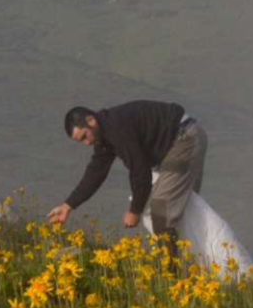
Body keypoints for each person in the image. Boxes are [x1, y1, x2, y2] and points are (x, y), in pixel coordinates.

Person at [46, 99, 207, 255]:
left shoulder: (117, 128)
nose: (86, 143)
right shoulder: (105, 136)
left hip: (184, 139)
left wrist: (135, 210)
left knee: (161, 207)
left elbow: (139, 170)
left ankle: (171, 272)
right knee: (173, 211)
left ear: (91, 120)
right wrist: (68, 205)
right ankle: (188, 267)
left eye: (84, 136)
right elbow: (95, 172)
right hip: (175, 146)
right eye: (81, 141)